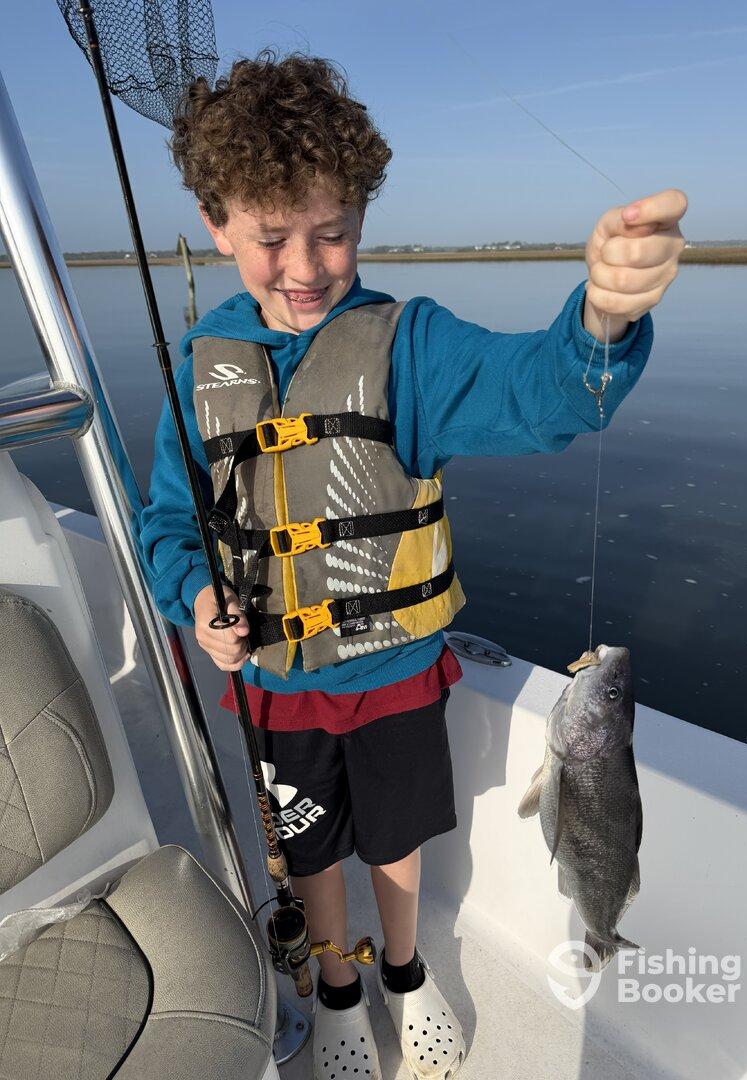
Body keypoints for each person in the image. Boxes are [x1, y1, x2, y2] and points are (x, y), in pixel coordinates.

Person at [139, 49, 685, 1080]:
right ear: (217, 224)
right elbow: (167, 520)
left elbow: (541, 390)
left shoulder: (412, 347)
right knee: (311, 855)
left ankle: (401, 970)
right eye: (270, 237)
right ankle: (338, 986)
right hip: (276, 688)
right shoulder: (196, 370)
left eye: (333, 232)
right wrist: (194, 594)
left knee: (394, 840)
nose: (305, 268)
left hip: (393, 676)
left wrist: (604, 323)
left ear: (361, 217)